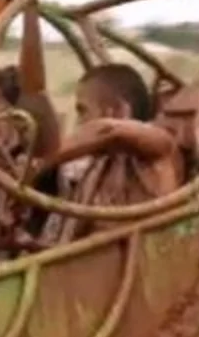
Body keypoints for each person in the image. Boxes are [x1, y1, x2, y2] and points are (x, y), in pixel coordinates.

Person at [39, 63, 184, 242]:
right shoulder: (96, 166)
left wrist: (44, 161)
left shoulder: (156, 150)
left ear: (117, 110)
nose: (79, 122)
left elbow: (105, 130)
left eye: (83, 110)